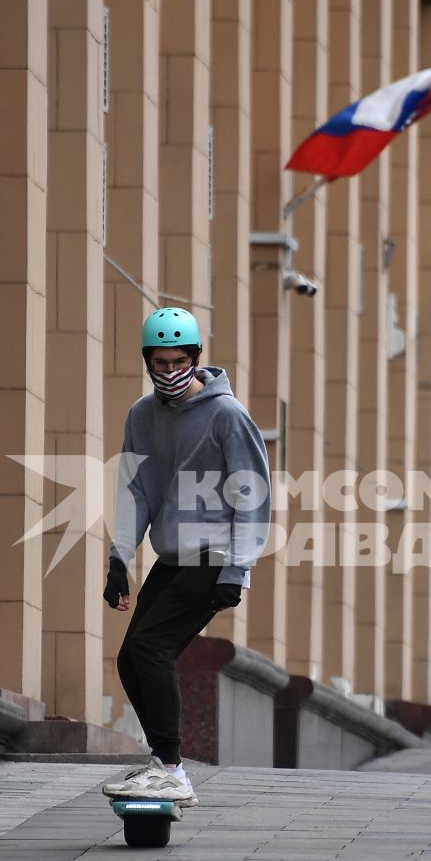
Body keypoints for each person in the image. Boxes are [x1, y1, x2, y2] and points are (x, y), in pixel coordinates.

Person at [99, 307, 272, 805]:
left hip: (213, 556)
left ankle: (172, 768)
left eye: (179, 362)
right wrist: (118, 560)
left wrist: (237, 569)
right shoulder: (142, 415)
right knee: (132, 659)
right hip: (172, 558)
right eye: (160, 363)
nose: (170, 373)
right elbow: (136, 491)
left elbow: (253, 496)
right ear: (147, 361)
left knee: (151, 648)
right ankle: (163, 763)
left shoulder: (228, 415)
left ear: (196, 359)